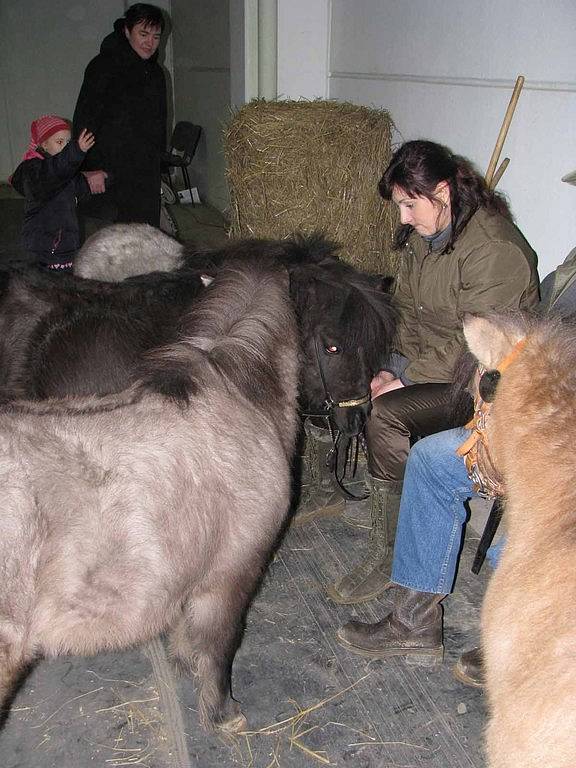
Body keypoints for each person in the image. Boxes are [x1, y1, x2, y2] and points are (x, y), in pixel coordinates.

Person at [336, 250, 576, 688]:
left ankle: (528, 637)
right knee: (431, 461)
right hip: (541, 422)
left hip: (561, 445)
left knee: (542, 502)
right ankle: (415, 620)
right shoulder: (570, 270)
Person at [314, 140, 539, 606]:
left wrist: (408, 377)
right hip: (441, 366)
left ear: (441, 191)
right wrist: (387, 366)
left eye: (408, 204)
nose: (403, 218)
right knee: (357, 384)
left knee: (389, 415)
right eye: (400, 206)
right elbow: (410, 316)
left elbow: (475, 345)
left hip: (488, 381)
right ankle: (388, 518)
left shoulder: (494, 250)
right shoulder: (427, 238)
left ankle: (389, 552)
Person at [73, 3, 167, 228]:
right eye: (143, 34)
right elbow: (86, 118)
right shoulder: (103, 67)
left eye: (156, 36)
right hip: (111, 170)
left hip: (145, 171)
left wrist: (159, 162)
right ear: (126, 31)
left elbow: (160, 122)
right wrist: (87, 167)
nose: (150, 43)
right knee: (116, 240)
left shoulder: (156, 74)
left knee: (146, 233)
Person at [10, 115, 107, 271]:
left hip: (67, 246)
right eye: (60, 142)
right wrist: (75, 151)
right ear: (43, 145)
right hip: (42, 249)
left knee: (64, 289)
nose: (66, 147)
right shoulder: (34, 170)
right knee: (41, 289)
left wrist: (105, 177)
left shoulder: (67, 173)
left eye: (68, 143)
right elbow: (55, 170)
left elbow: (84, 188)